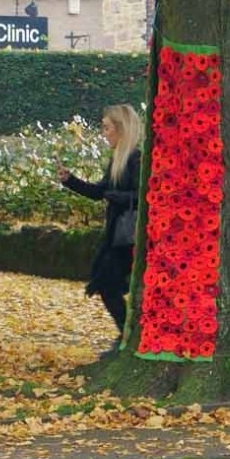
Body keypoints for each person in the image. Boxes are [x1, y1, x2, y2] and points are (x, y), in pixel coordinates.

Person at [59, 103, 144, 336]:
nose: (103, 133)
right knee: (106, 283)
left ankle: (128, 333)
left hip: (129, 237)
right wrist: (71, 181)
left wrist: (113, 196)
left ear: (121, 129)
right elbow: (99, 192)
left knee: (107, 282)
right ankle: (127, 332)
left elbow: (142, 197)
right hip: (117, 234)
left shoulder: (136, 159)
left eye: (107, 128)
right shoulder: (118, 158)